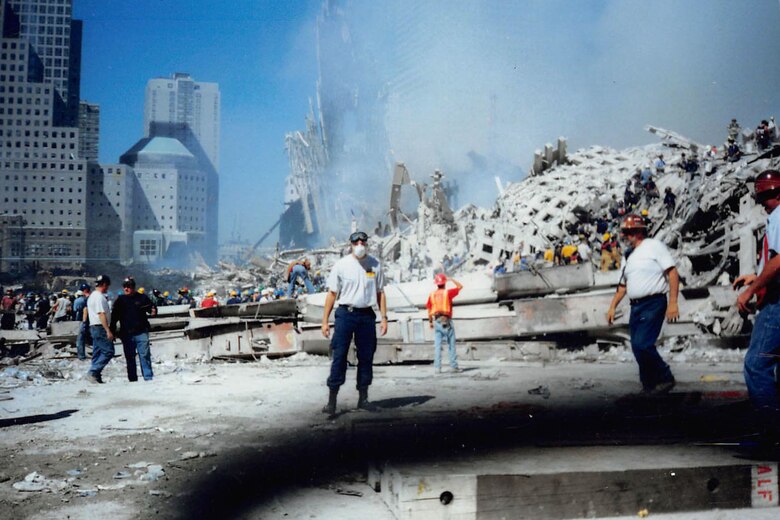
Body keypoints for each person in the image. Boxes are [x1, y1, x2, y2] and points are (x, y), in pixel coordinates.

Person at [606, 214, 679, 394]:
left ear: (640, 231)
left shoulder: (654, 246)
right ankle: (649, 386)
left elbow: (672, 273)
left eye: (630, 232)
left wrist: (673, 303)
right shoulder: (628, 256)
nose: (627, 235)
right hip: (636, 306)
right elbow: (622, 286)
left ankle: (665, 377)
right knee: (636, 347)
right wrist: (612, 306)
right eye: (625, 232)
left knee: (643, 344)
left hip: (653, 302)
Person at [732, 170, 780, 436]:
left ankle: (771, 434)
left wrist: (751, 289)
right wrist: (757, 274)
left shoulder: (779, 217)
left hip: (777, 302)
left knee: (757, 364)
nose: (762, 203)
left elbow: (779, 260)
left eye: (765, 196)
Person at [320, 231, 388, 416]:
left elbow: (380, 292)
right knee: (339, 355)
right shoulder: (342, 265)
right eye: (356, 241)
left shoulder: (375, 264)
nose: (360, 244)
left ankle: (363, 399)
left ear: (367, 243)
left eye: (363, 241)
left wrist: (384, 317)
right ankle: (332, 402)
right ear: (350, 244)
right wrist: (325, 321)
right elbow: (332, 294)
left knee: (366, 356)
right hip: (345, 314)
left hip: (366, 315)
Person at [111, 277, 157, 382]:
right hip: (127, 333)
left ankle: (148, 377)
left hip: (141, 331)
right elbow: (114, 318)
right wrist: (112, 331)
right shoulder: (120, 300)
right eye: (125, 287)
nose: (126, 289)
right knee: (130, 357)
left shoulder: (142, 298)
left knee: (144, 355)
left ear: (133, 287)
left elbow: (151, 309)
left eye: (129, 286)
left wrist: (154, 311)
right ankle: (132, 379)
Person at [426, 274, 464, 374]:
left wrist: (430, 322)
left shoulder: (432, 295)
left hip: (437, 321)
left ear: (436, 284)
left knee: (438, 346)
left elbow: (429, 309)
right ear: (444, 283)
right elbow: (460, 286)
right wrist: (451, 279)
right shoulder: (448, 293)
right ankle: (453, 366)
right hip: (447, 320)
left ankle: (437, 368)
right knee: (451, 344)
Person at [86, 275, 114, 384]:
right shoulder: (98, 297)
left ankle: (96, 376)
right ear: (104, 284)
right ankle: (93, 372)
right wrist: (108, 330)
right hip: (100, 327)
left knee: (97, 352)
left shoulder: (93, 296)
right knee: (108, 351)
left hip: (94, 327)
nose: (108, 288)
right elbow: (101, 314)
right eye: (107, 285)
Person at [73, 284, 91, 361]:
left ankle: (81, 356)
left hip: (82, 321)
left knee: (80, 339)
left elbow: (75, 310)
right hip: (92, 321)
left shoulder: (78, 300)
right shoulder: (91, 298)